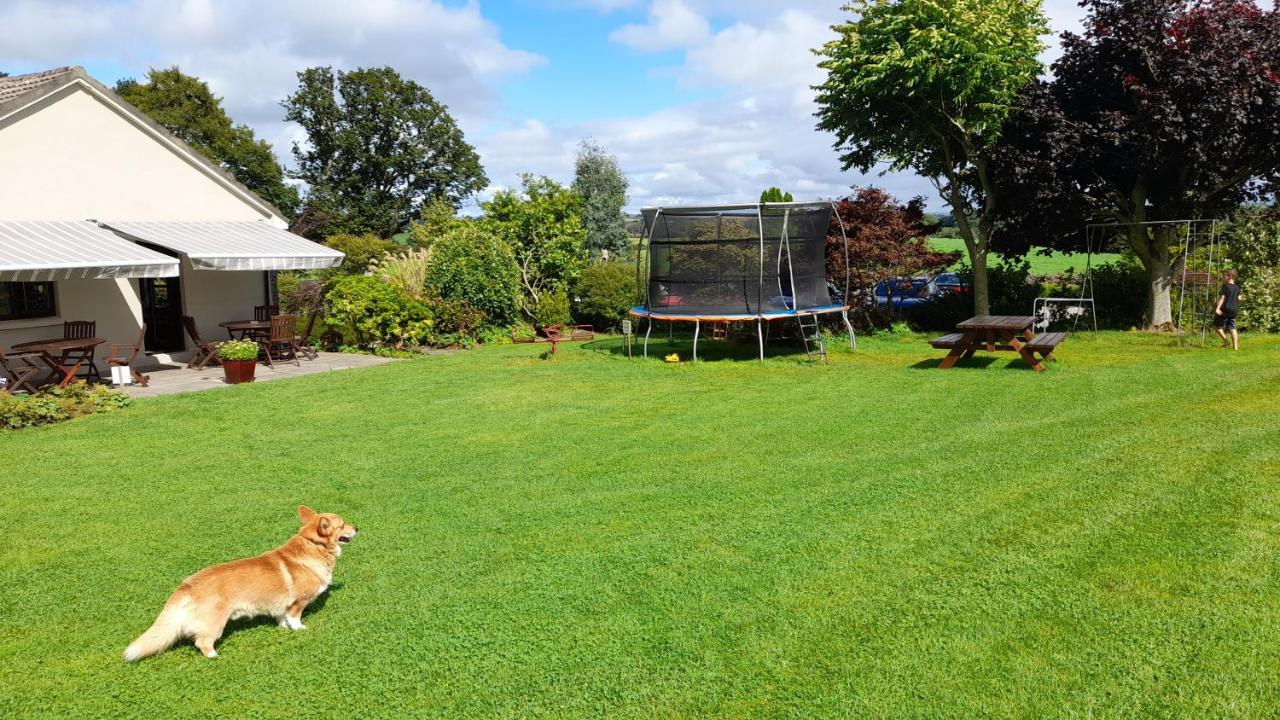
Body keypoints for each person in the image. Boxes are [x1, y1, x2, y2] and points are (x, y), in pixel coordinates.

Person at [1213, 268, 1242, 350]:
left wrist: (1217, 308)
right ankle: (1235, 348)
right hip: (1234, 310)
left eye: (1224, 276)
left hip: (1225, 309)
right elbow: (1239, 298)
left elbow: (1222, 298)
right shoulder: (1237, 287)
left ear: (1230, 276)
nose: (1222, 278)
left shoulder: (1225, 286)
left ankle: (1226, 341)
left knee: (1217, 325)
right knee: (1232, 327)